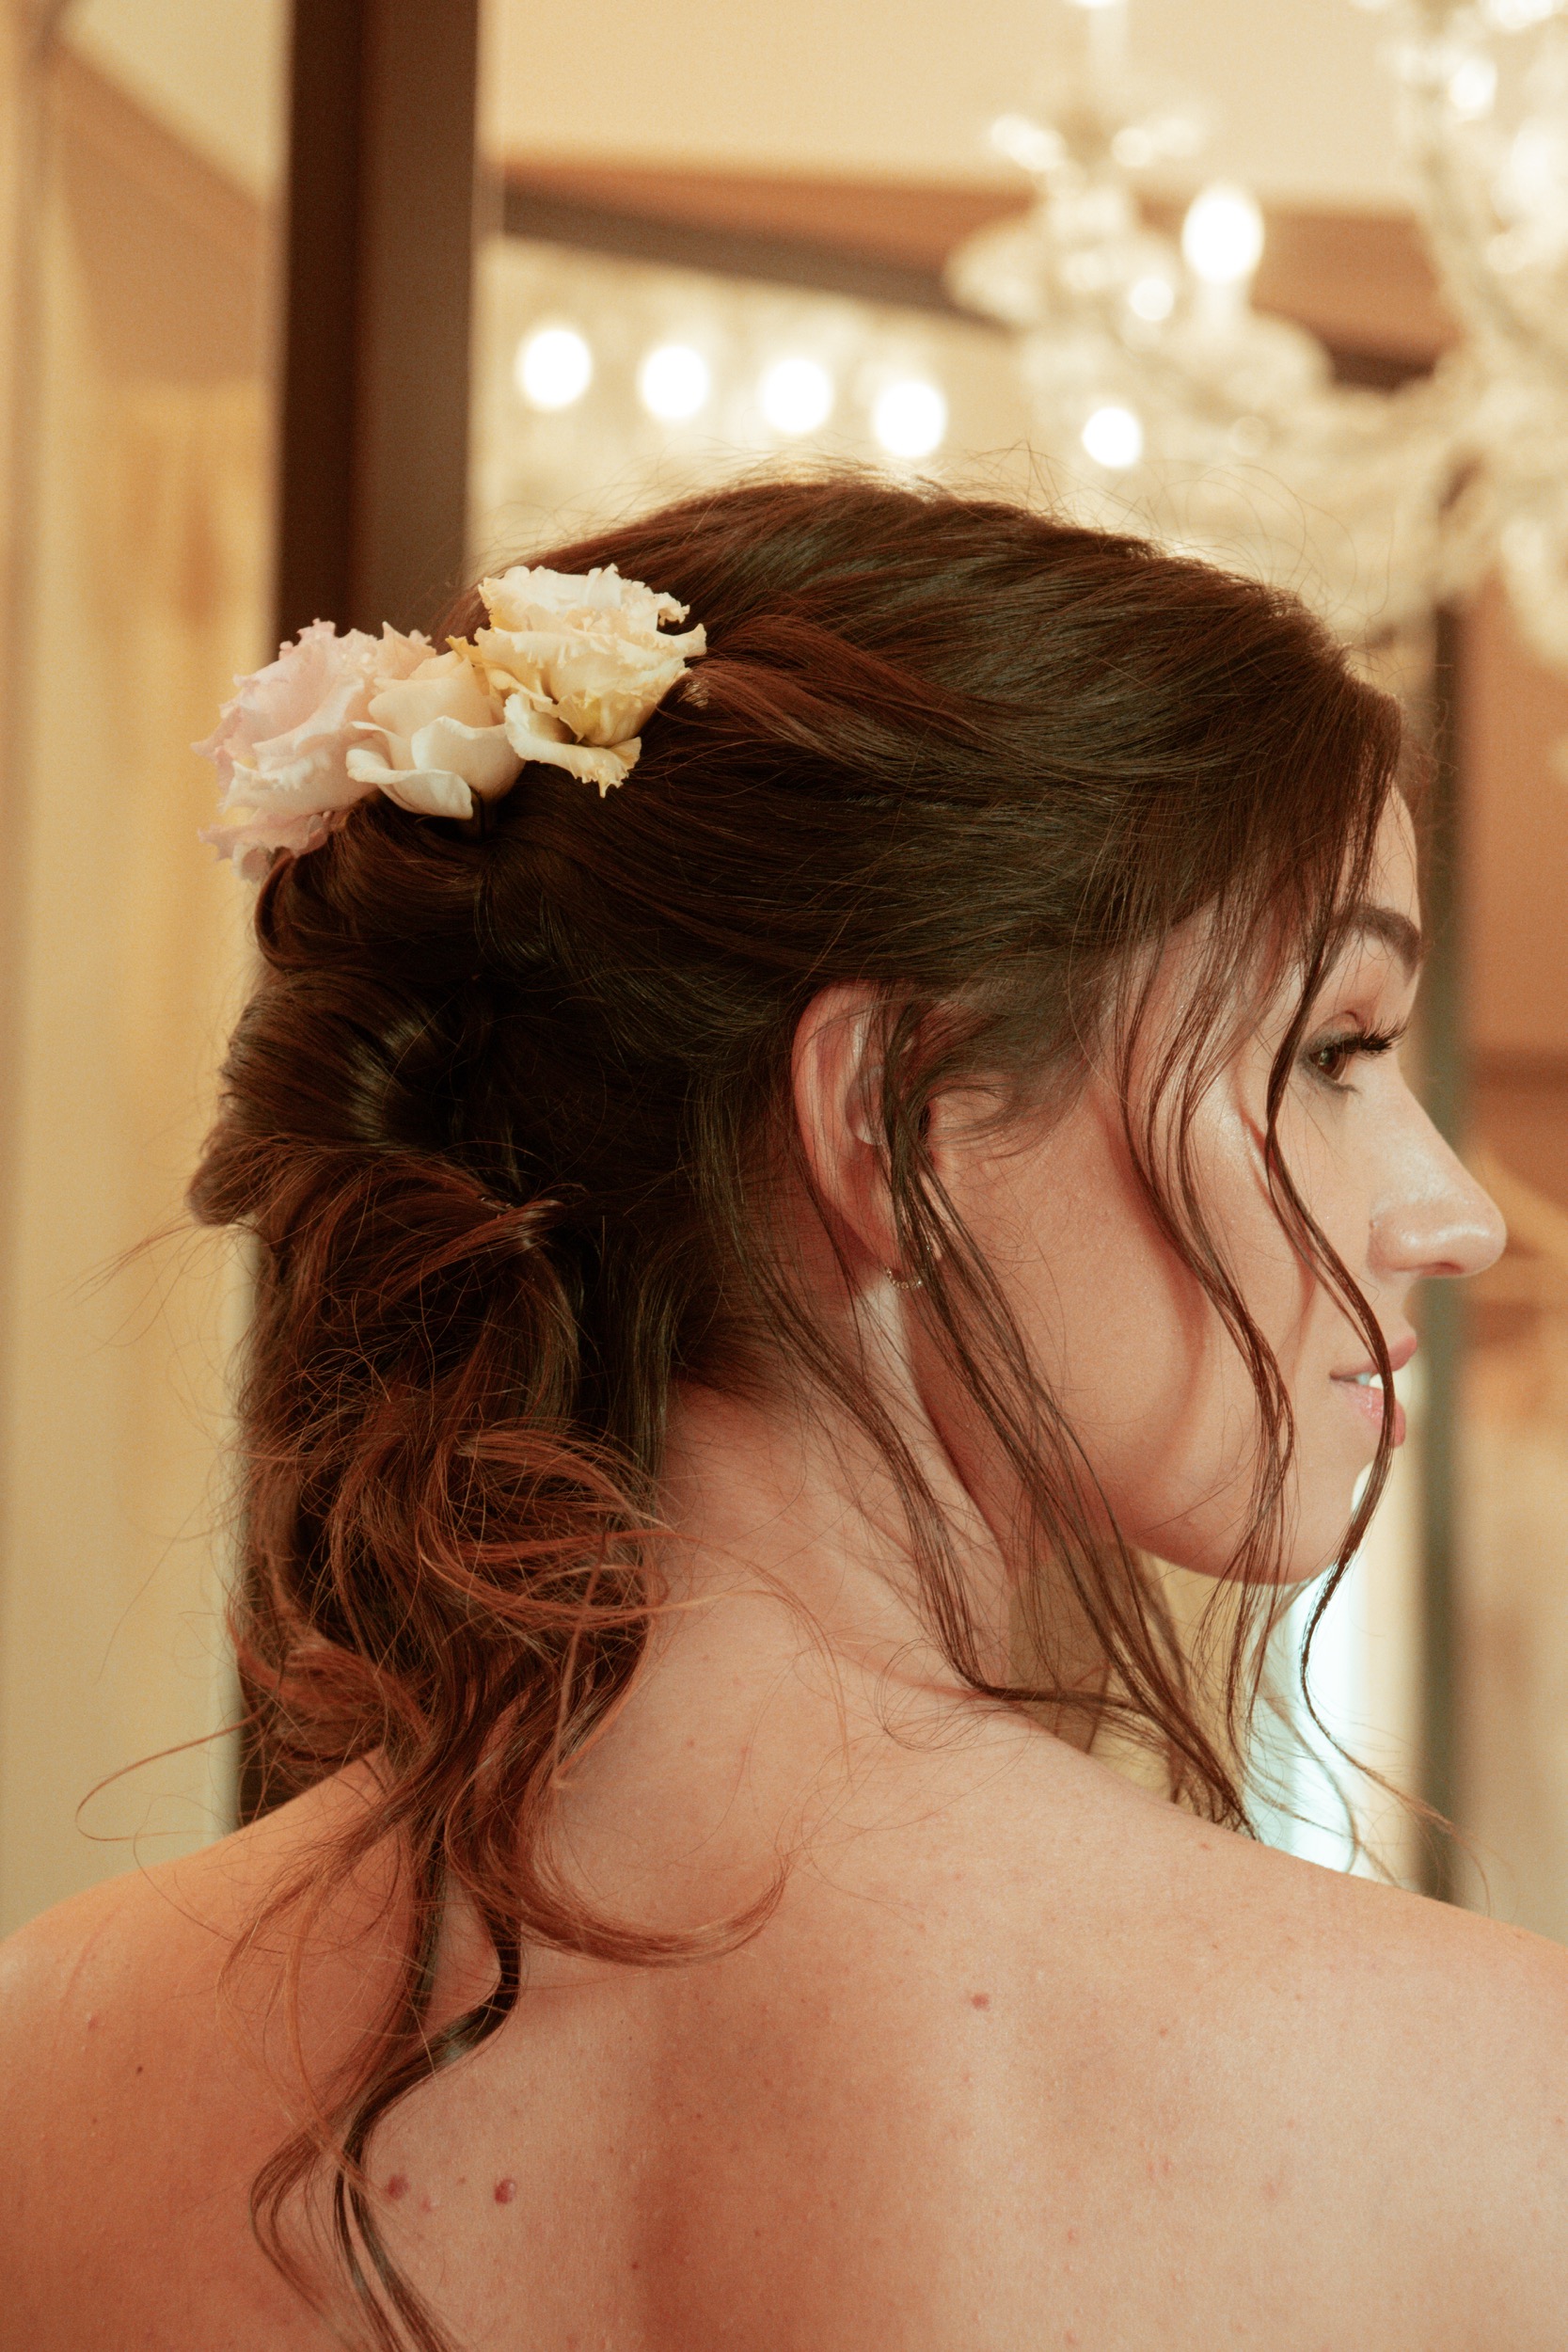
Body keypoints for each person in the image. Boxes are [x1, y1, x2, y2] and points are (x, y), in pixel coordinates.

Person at [0, 476, 1558, 2352]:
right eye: (1336, 1049)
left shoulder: (46, 2057)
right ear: (894, 1117)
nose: (1457, 1214)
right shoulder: (1488, 2109)